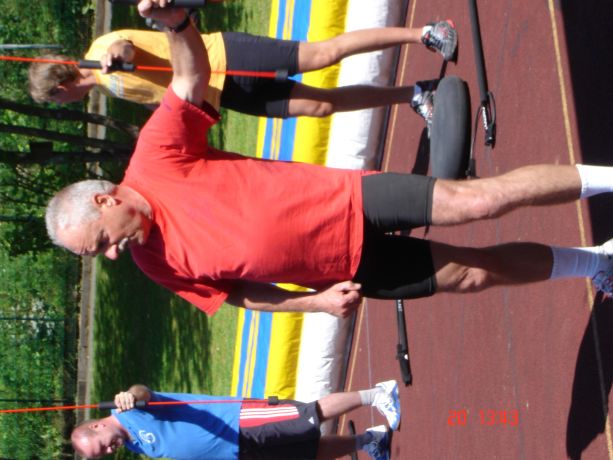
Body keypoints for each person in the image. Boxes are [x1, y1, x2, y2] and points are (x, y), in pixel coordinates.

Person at [46, 0, 613, 320]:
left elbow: (191, 77)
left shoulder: (156, 155)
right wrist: (314, 303)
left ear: (105, 200)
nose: (114, 254)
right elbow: (237, 294)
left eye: (103, 242)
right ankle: (596, 264)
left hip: (347, 201)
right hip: (341, 268)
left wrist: (176, 24)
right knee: (472, 274)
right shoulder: (153, 262)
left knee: (480, 202)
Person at [27, 18, 458, 125]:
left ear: (61, 87)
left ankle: (425, 32)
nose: (64, 105)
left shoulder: (99, 52)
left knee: (323, 54)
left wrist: (115, 55)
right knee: (319, 107)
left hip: (225, 56)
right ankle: (415, 94)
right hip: (223, 94)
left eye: (57, 101)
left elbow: (124, 47)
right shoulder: (104, 89)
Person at [71, 381, 401, 459]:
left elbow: (142, 391)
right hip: (239, 452)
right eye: (104, 455)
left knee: (309, 416)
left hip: (240, 421)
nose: (110, 451)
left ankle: (377, 394)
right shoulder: (133, 444)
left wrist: (130, 394)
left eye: (104, 447)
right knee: (308, 453)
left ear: (97, 426)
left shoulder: (130, 409)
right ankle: (369, 440)